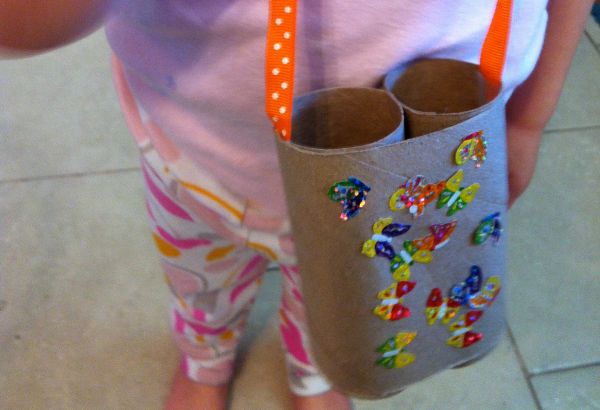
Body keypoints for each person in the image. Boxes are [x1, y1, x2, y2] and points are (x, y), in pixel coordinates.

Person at [1, 1, 594, 409]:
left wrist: (526, 124)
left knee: (343, 296)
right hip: (200, 161)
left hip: (413, 165)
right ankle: (204, 356)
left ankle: (313, 370)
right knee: (200, 280)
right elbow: (24, 23)